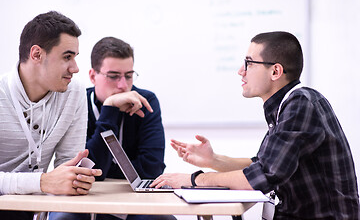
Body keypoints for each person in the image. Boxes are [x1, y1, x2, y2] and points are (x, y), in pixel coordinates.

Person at [151, 31, 360, 219]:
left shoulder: (301, 104)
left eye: (249, 63)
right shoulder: (286, 105)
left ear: (275, 71)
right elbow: (262, 164)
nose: (241, 71)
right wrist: (213, 159)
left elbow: (262, 177)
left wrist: (194, 180)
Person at [49, 37, 175, 220]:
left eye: (129, 75)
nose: (123, 85)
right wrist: (110, 109)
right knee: (65, 218)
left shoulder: (146, 101)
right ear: (92, 76)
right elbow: (82, 173)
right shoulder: (77, 103)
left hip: (133, 201)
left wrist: (106, 170)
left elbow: (152, 169)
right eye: (114, 76)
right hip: (84, 198)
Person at [0, 11, 102, 219]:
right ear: (36, 54)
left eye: (75, 57)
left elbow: (69, 163)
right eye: (67, 57)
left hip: (34, 207)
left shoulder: (74, 93)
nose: (75, 68)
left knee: (76, 214)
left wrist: (77, 178)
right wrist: (43, 181)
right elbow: (48, 182)